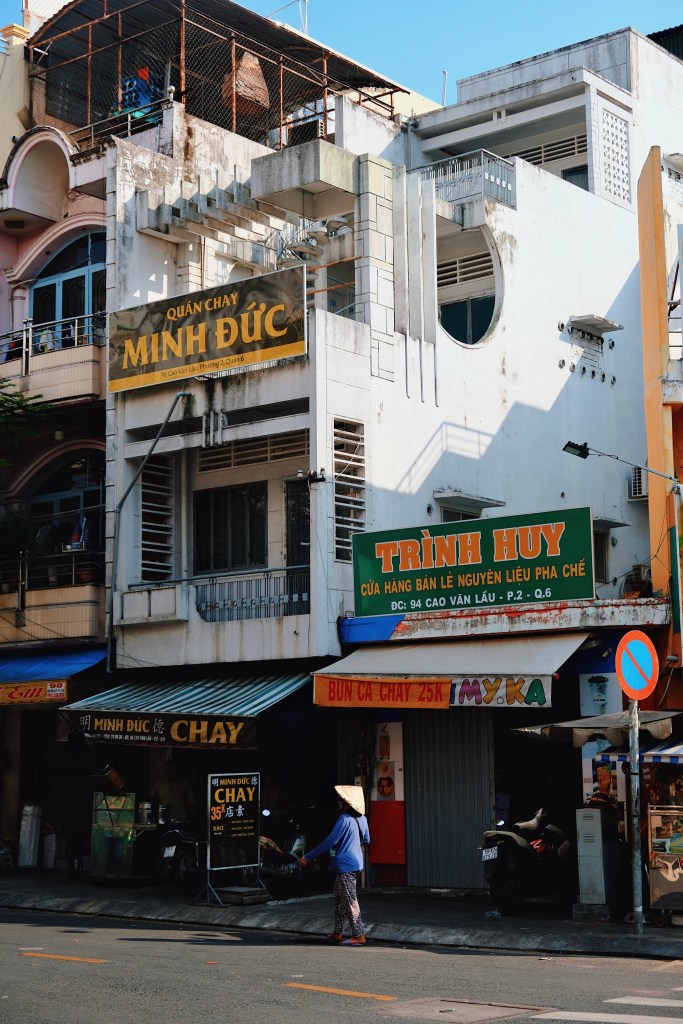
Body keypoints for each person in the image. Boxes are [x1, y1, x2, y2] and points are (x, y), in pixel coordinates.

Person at [299, 784, 370, 946]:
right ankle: (337, 933)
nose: (340, 804)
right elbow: (367, 840)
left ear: (346, 803)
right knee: (339, 900)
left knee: (350, 900)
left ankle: (359, 934)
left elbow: (330, 842)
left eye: (342, 801)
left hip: (346, 866)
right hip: (356, 864)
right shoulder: (363, 819)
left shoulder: (343, 819)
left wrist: (308, 857)